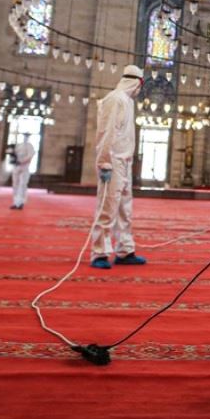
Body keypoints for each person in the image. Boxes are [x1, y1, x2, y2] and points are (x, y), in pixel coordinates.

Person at [90, 65, 146, 269]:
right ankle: (99, 253)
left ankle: (125, 250)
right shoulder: (115, 99)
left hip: (125, 162)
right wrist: (104, 161)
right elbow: (107, 132)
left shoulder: (128, 102)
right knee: (107, 207)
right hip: (112, 162)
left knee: (124, 209)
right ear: (136, 83)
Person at [10, 136, 35, 210]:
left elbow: (30, 156)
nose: (25, 138)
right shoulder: (18, 145)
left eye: (26, 136)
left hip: (25, 167)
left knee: (22, 185)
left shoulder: (30, 146)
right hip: (16, 167)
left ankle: (21, 202)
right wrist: (12, 157)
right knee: (15, 184)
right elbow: (13, 154)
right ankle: (15, 202)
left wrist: (21, 161)